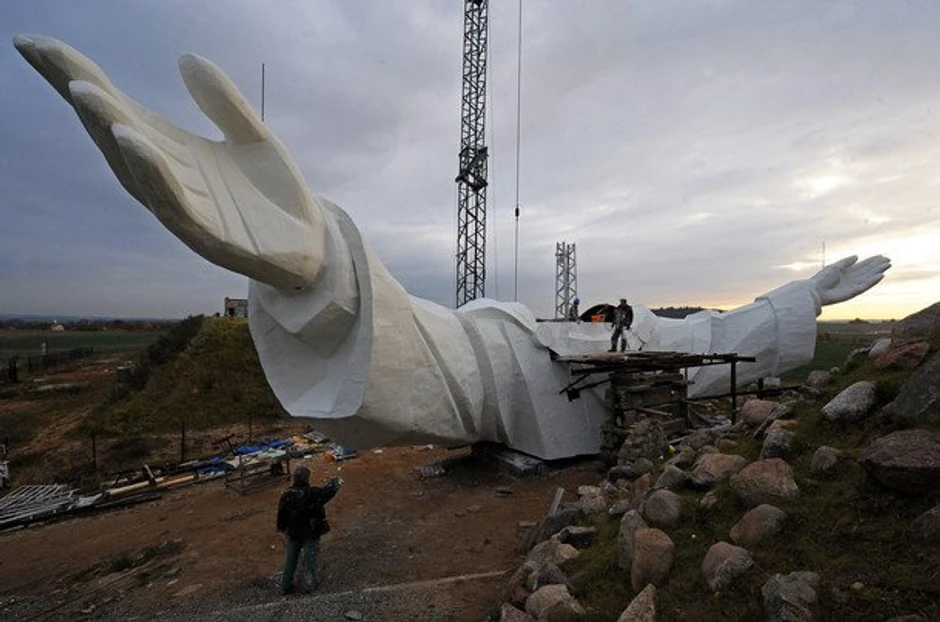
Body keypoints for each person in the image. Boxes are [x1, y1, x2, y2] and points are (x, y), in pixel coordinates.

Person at [13, 36, 892, 460]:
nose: (603, 323)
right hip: (498, 346)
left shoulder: (641, 340)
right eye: (603, 319)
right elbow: (461, 370)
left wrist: (797, 299)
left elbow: (703, 343)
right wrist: (324, 275)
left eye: (611, 322)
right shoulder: (518, 343)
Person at [276, 466, 341, 595]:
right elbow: (326, 493)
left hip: (293, 532)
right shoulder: (311, 493)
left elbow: (281, 514)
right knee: (310, 558)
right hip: (310, 532)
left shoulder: (287, 494)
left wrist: (283, 528)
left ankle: (286, 585)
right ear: (306, 478)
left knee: (291, 559)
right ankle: (309, 584)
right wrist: (335, 483)